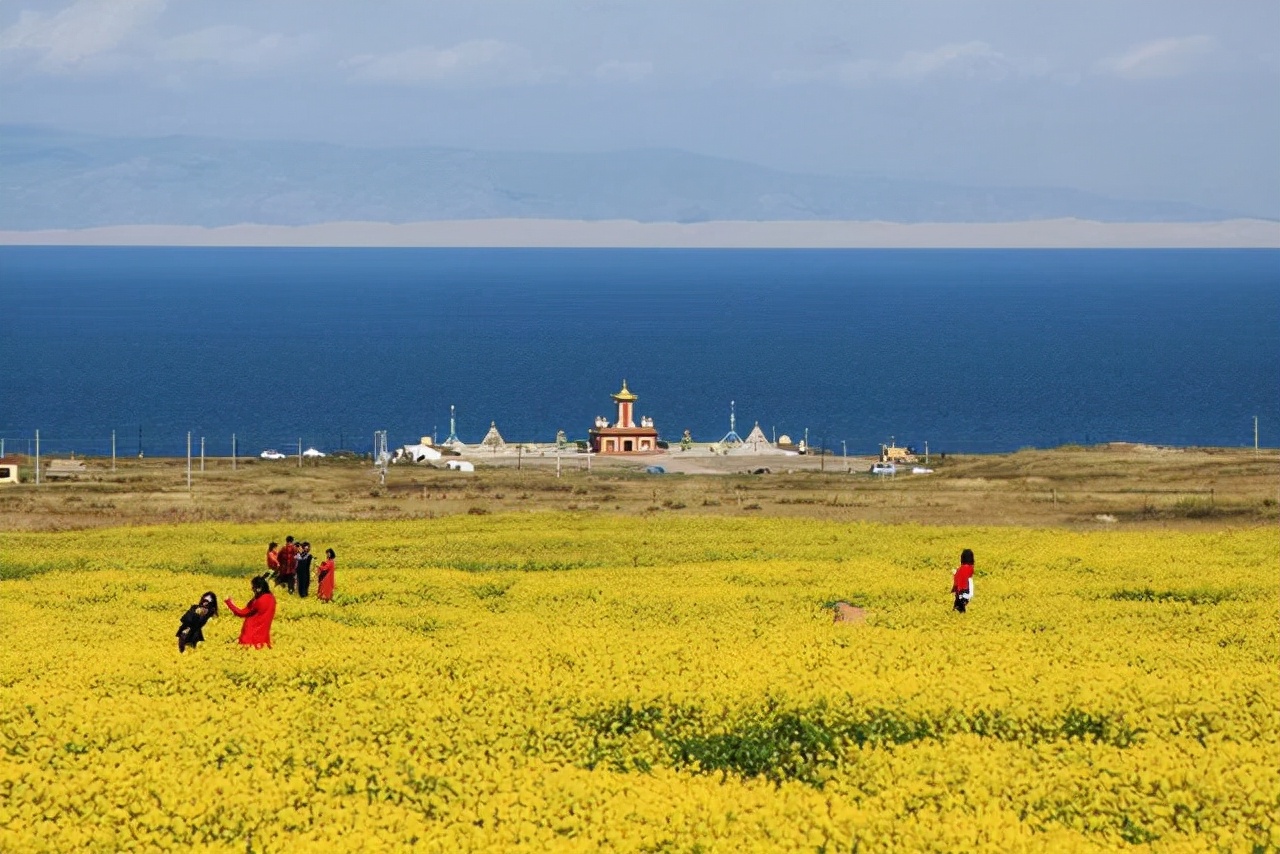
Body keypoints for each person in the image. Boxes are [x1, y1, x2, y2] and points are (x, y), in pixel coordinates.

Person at [225, 576, 276, 648]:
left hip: (250, 636)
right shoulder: (272, 599)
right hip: (263, 638)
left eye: (253, 587)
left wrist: (229, 602)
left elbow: (241, 613)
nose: (252, 589)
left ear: (259, 588)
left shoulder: (258, 600)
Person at [952, 548, 975, 613]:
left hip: (959, 592)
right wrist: (970, 594)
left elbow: (957, 579)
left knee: (958, 609)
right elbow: (969, 580)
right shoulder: (970, 568)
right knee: (960, 610)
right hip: (964, 592)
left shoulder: (960, 569)